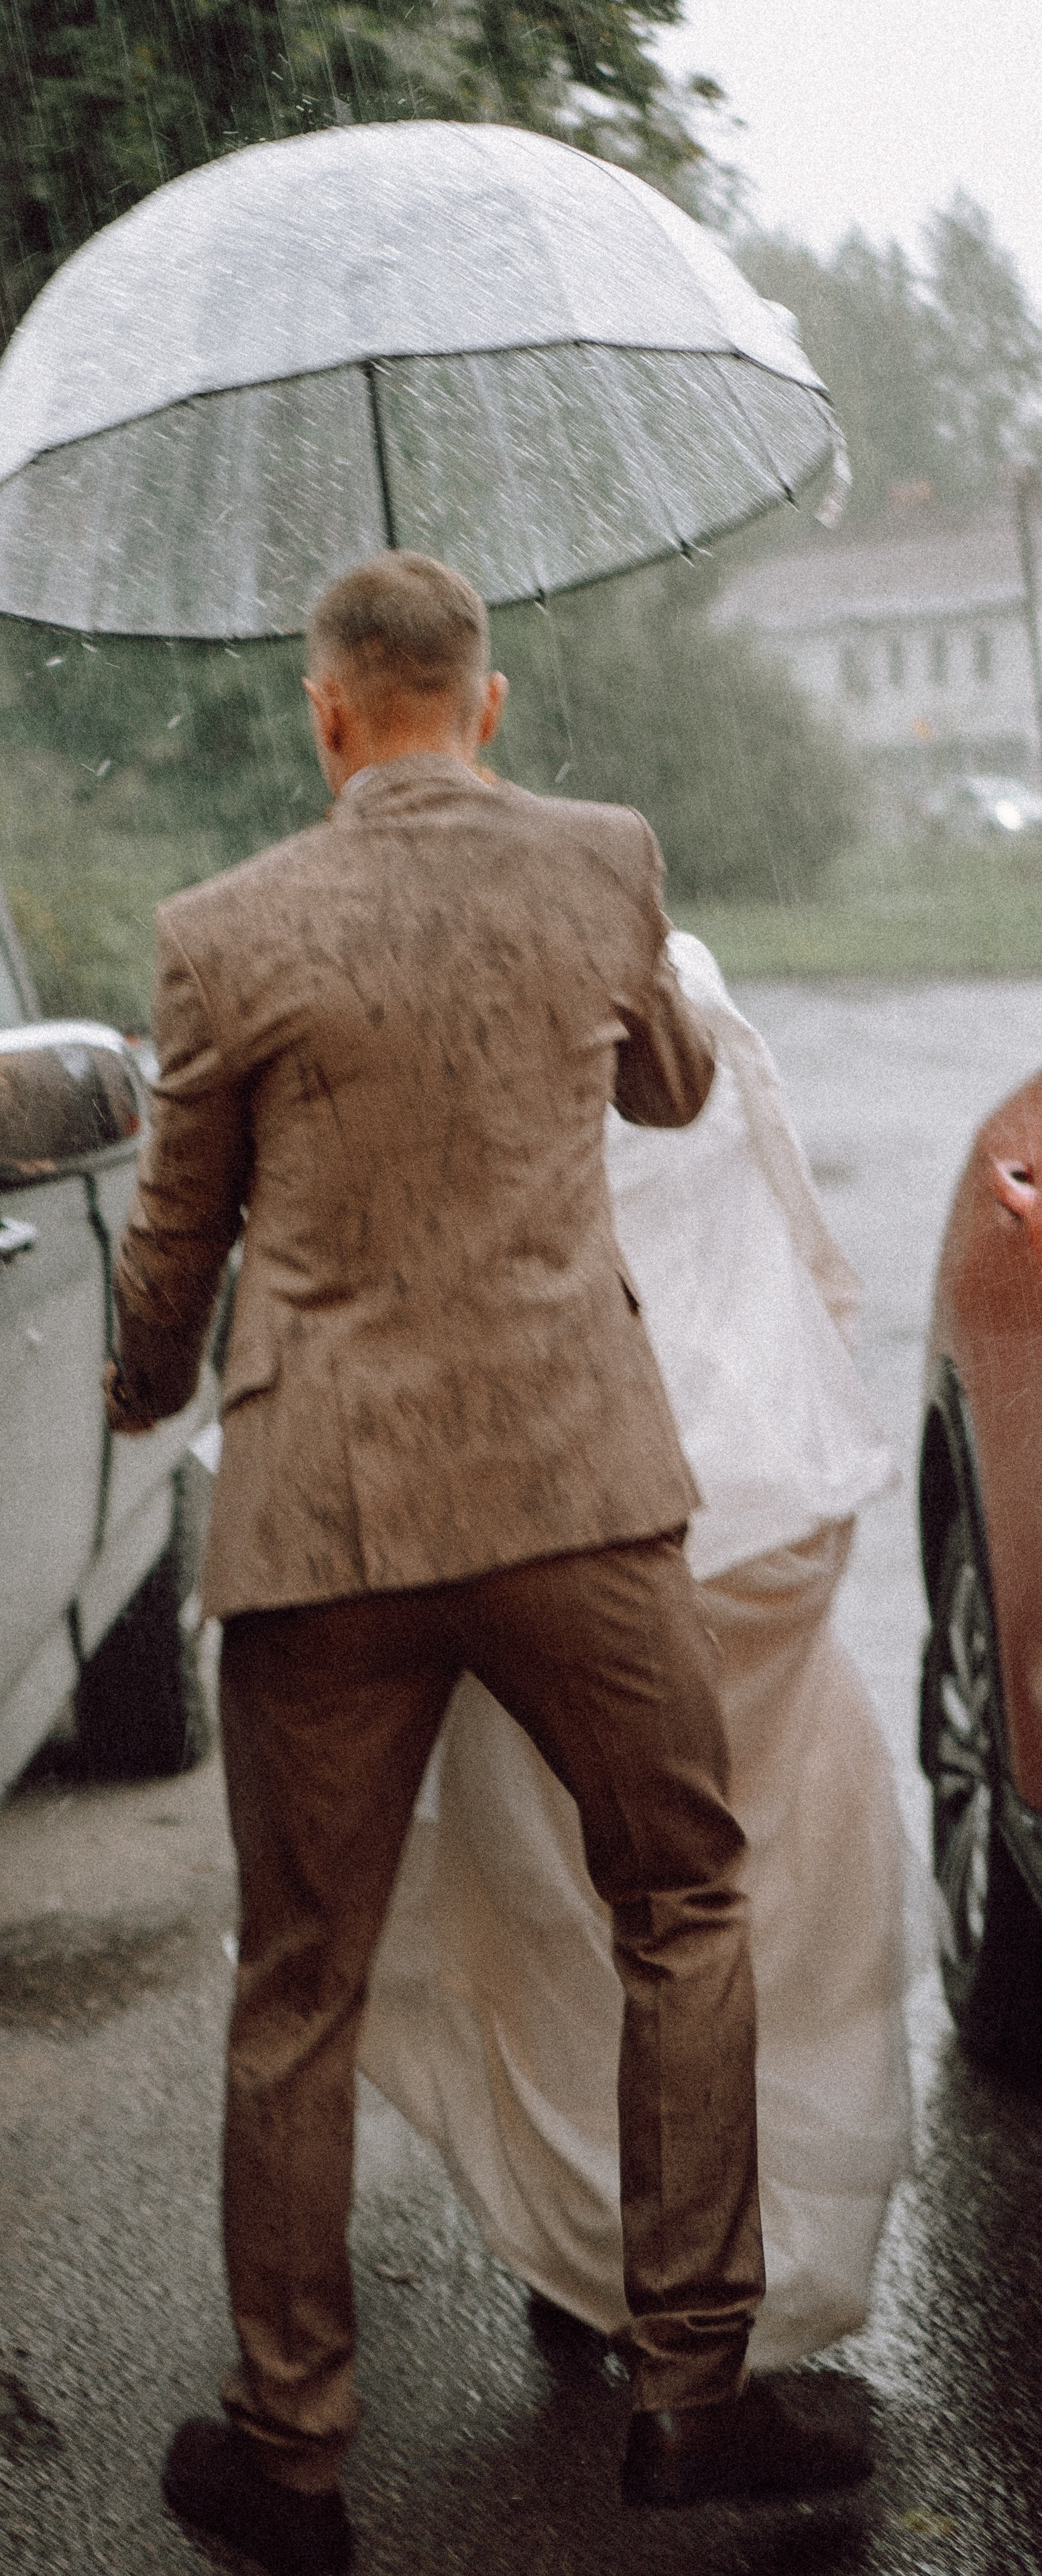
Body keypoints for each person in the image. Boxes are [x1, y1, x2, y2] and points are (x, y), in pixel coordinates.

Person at [105, 550, 873, 2576]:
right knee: (680, 1898)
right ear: (489, 703)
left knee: (299, 1981)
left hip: (329, 1528)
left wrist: (139, 1391)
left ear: (324, 714)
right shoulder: (602, 859)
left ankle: (290, 2455)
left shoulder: (220, 933)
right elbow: (672, 1087)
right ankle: (690, 2395)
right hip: (572, 1498)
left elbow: (175, 1241)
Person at [359, 928, 914, 2375]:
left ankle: (584, 2245)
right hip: (744, 1503)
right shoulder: (676, 981)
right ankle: (718, 2293)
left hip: (532, 1514)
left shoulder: (416, 1001)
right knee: (744, 1896)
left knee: (551, 1887)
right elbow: (801, 1253)